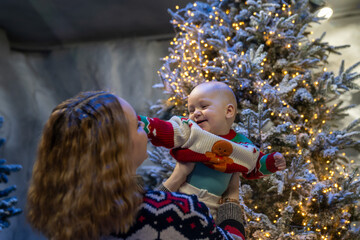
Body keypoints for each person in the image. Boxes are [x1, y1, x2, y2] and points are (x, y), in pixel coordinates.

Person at [26, 91, 246, 240]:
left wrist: (176, 178)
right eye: (138, 125)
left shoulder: (67, 211)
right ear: (118, 146)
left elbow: (144, 212)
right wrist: (232, 198)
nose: (147, 129)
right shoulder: (181, 211)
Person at [139, 81, 286, 218]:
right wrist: (144, 124)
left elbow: (254, 164)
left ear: (228, 111)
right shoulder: (191, 130)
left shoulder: (241, 144)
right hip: (181, 197)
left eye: (203, 107)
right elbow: (169, 130)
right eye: (191, 109)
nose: (195, 113)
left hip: (214, 209)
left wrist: (272, 163)